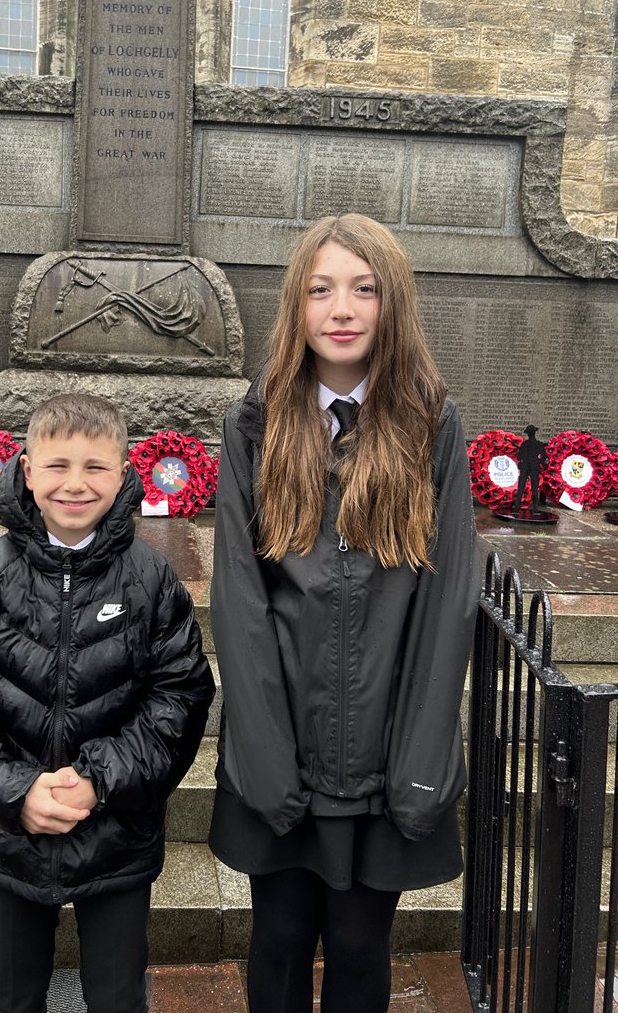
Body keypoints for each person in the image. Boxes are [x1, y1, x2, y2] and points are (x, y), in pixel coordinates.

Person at [208, 214, 478, 1013]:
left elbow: (448, 595)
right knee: (282, 940)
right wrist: (260, 753)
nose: (343, 307)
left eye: (364, 289)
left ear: (392, 304)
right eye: (322, 289)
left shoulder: (430, 421)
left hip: (385, 751)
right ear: (298, 305)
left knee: (361, 946)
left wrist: (423, 758)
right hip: (283, 741)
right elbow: (240, 597)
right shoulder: (255, 423)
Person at [0, 393, 215, 1013]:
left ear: (124, 472)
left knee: (116, 995)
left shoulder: (151, 580)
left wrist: (98, 779)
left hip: (116, 830)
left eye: (95, 467)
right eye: (57, 466)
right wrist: (12, 788)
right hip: (9, 832)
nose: (75, 484)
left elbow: (180, 695)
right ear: (27, 470)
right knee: (13, 994)